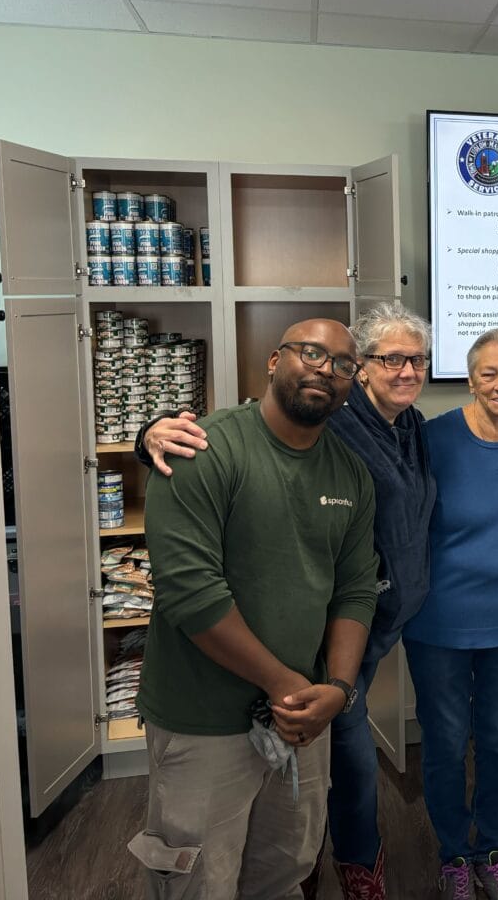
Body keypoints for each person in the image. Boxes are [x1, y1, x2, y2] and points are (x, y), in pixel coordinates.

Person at [139, 301, 437, 900]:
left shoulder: (351, 470)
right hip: (207, 720)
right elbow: (191, 594)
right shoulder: (204, 450)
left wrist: (338, 689)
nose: (325, 369)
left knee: (283, 866)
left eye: (341, 364)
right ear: (274, 360)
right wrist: (289, 686)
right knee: (199, 877)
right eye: (311, 352)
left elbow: (356, 587)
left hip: (304, 719)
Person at [405, 329, 498, 900]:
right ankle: (453, 854)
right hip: (438, 620)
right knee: (443, 741)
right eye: (489, 373)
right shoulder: (432, 439)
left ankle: (491, 848)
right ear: (469, 379)